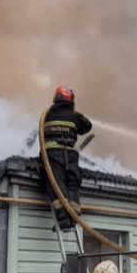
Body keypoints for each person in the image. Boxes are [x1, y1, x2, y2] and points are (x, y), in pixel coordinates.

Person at [40, 84, 92, 231]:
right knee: (72, 182)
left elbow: (38, 133)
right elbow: (87, 126)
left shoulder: (47, 115)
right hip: (70, 155)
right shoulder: (74, 116)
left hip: (51, 154)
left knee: (55, 182)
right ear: (71, 99)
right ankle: (73, 213)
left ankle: (63, 216)